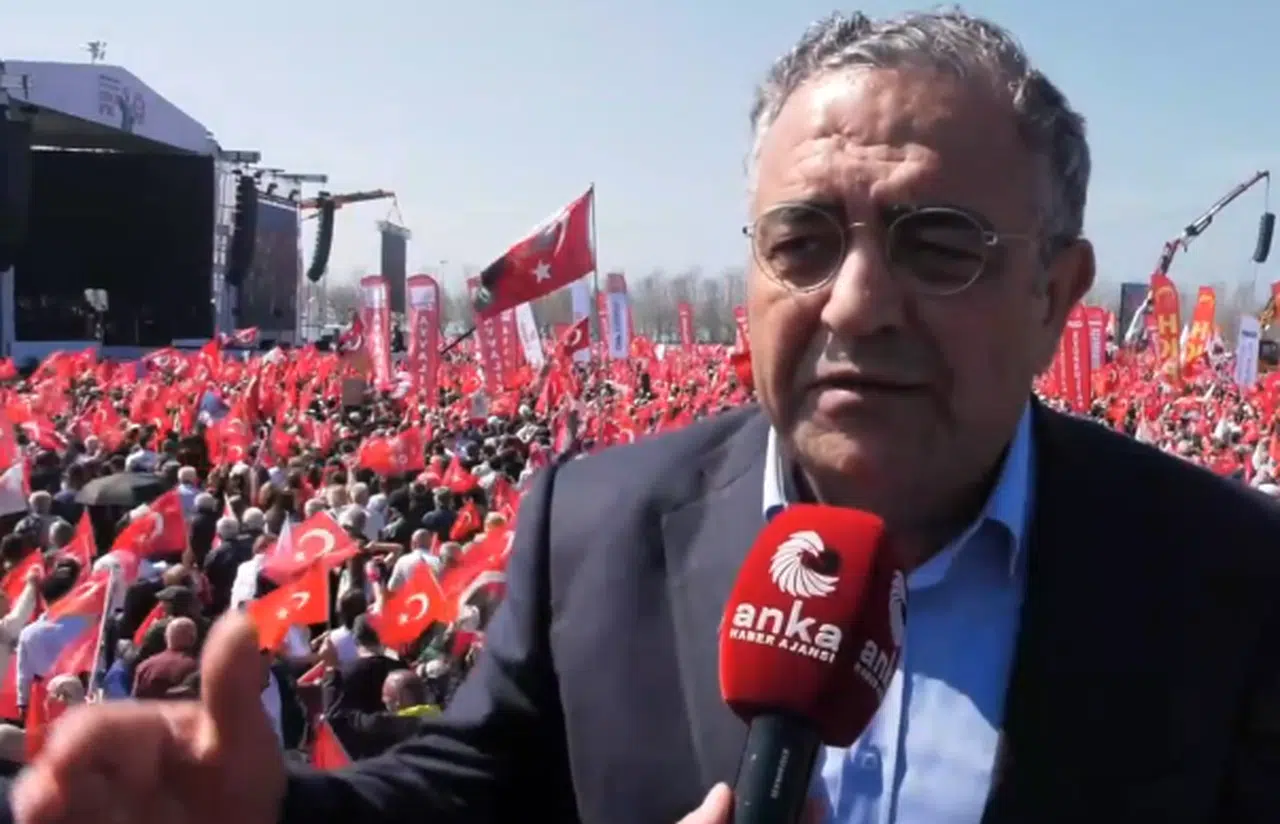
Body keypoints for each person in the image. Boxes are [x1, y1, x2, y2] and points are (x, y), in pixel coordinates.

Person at [9, 9, 1280, 824]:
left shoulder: (1227, 571)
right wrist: (281, 812)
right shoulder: (595, 522)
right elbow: (469, 791)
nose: (854, 301)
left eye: (936, 243)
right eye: (801, 240)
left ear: (1054, 294)